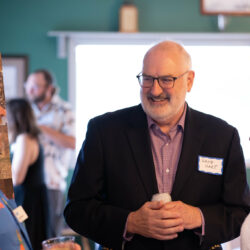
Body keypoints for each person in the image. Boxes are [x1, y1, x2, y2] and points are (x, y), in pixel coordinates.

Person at [64, 41, 250, 250]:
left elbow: (240, 212)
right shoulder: (104, 131)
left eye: (166, 80)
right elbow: (76, 210)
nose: (155, 89)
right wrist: (130, 222)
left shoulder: (222, 136)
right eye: (147, 79)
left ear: (189, 81)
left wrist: (197, 217)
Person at [24, 69, 76, 237]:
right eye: (28, 86)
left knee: (51, 236)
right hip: (27, 184)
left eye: (36, 86)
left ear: (49, 89)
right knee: (28, 233)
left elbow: (72, 142)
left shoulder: (64, 110)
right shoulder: (26, 111)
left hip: (51, 183)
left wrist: (40, 128)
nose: (30, 90)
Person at [6, 98, 51, 249]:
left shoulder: (24, 139)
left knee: (27, 237)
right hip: (26, 199)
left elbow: (17, 178)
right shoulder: (23, 139)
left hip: (26, 203)